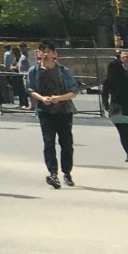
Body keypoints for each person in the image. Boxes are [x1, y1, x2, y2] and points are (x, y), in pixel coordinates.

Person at [27, 42, 80, 188]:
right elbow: (31, 89)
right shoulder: (34, 71)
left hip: (63, 111)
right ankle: (53, 173)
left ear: (54, 54)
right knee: (48, 142)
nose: (45, 54)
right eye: (42, 51)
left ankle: (67, 172)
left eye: (48, 51)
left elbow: (74, 91)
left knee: (66, 143)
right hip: (45, 112)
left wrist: (59, 98)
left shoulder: (63, 71)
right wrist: (42, 98)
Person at [101, 53, 128, 163]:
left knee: (122, 133)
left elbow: (104, 94)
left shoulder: (108, 81)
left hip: (116, 109)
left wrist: (106, 106)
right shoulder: (127, 80)